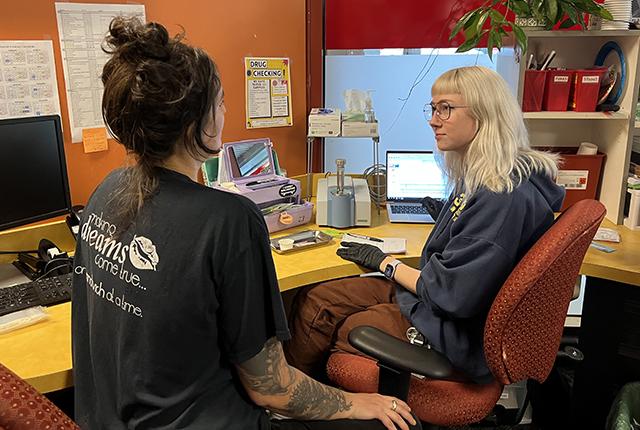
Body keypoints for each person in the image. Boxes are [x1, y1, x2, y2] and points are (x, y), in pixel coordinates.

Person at [71, 16, 420, 430]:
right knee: (389, 422)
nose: (225, 109)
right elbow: (273, 390)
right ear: (195, 124)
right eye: (220, 101)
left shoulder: (107, 189)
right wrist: (359, 402)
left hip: (108, 418)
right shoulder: (227, 219)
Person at [285, 66, 566, 385]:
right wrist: (449, 216)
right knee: (317, 297)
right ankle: (292, 395)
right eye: (432, 109)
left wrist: (385, 263)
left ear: (485, 113)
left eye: (445, 108)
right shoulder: (490, 177)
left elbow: (452, 295)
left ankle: (299, 400)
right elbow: (475, 250)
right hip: (438, 301)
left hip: (454, 329)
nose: (434, 120)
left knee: (345, 326)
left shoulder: (501, 196)